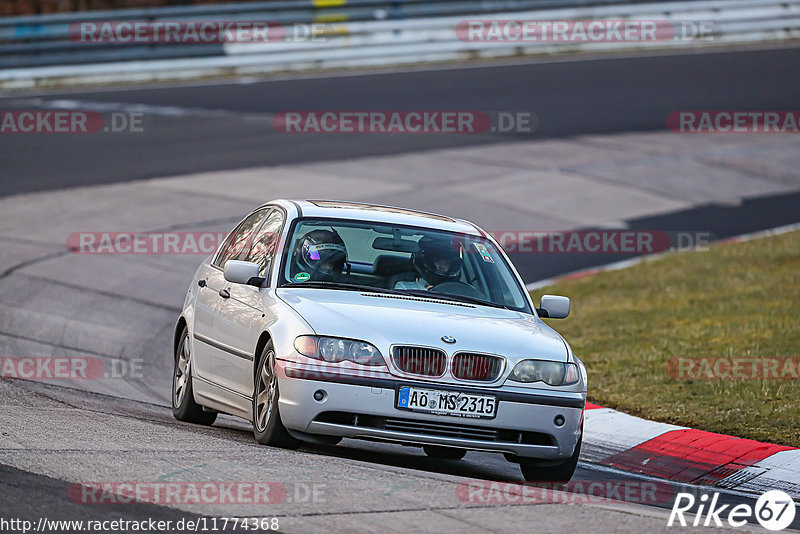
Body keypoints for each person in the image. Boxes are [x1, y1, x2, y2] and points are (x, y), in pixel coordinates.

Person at [395, 236, 462, 290]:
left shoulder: (458, 292)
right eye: (437, 261)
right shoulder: (404, 288)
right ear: (424, 262)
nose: (442, 266)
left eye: (447, 263)